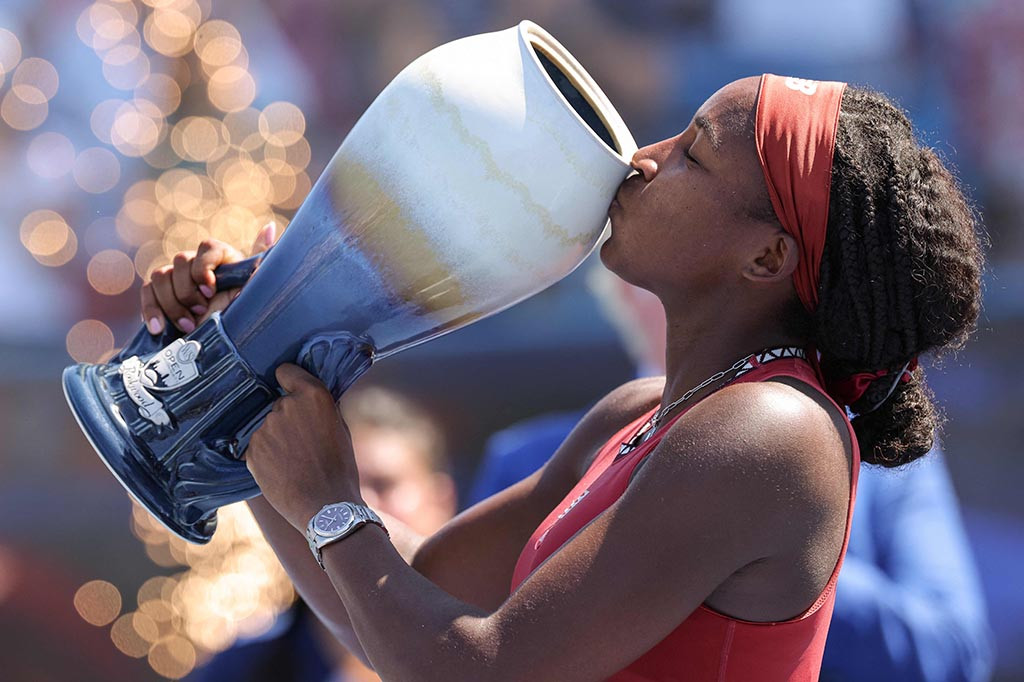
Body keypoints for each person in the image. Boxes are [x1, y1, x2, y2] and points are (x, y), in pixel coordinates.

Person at [143, 75, 984, 680]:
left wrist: (331, 498)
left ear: (767, 256)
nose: (643, 159)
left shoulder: (773, 431)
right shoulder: (642, 412)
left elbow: (477, 670)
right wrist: (243, 364)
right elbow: (399, 619)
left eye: (692, 153)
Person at [470, 271, 994, 682]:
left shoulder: (878, 449)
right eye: (684, 249)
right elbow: (473, 644)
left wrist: (778, 554)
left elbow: (952, 651)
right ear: (623, 287)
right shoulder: (525, 459)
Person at [187, 384, 457, 682]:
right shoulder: (243, 670)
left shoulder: (493, 630)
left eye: (383, 484)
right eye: (331, 485)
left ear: (441, 500)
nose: (360, 504)